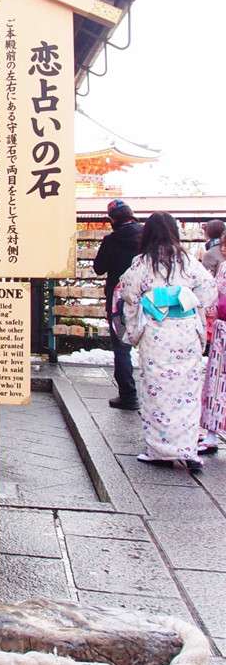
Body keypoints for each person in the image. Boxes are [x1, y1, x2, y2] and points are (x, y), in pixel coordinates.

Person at [119, 212, 217, 473]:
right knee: (186, 393)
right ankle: (187, 449)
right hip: (185, 333)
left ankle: (158, 449)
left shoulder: (142, 263)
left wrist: (133, 330)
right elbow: (208, 291)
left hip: (157, 333)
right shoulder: (187, 261)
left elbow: (128, 294)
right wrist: (185, 301)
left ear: (147, 233)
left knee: (157, 391)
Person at [93, 199, 143, 409]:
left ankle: (129, 396)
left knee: (121, 348)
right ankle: (155, 395)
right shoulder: (147, 237)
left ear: (113, 219)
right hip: (147, 300)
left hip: (118, 301)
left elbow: (98, 268)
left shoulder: (111, 240)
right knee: (150, 346)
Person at [200, 263, 226, 454]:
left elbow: (213, 302)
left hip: (223, 329)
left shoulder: (225, 268)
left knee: (217, 384)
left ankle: (211, 435)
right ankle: (210, 435)